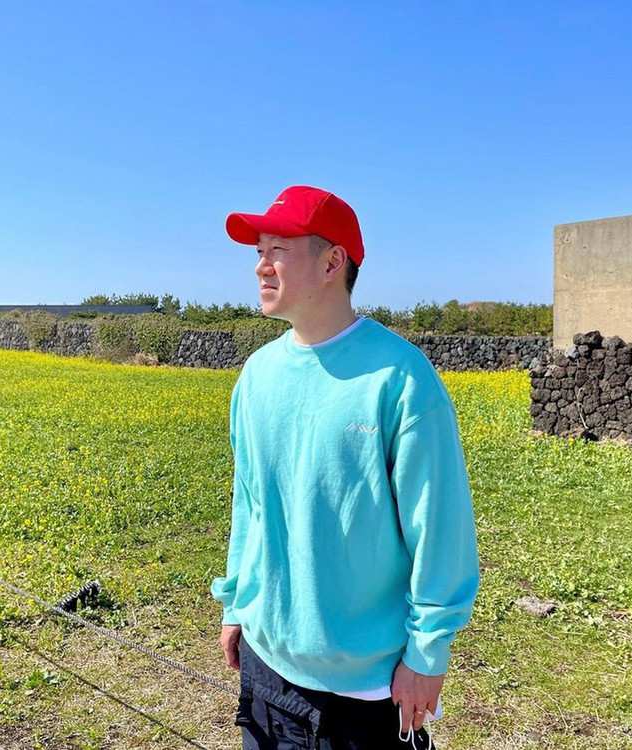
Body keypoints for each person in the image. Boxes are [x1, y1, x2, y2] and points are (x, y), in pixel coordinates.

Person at [211, 185, 480, 750]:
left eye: (278, 250)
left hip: (366, 690)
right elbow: (250, 504)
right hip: (265, 666)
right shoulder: (256, 375)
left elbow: (440, 532)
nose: (260, 265)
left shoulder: (401, 379)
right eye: (258, 251)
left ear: (333, 262)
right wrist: (237, 603)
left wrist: (427, 655)